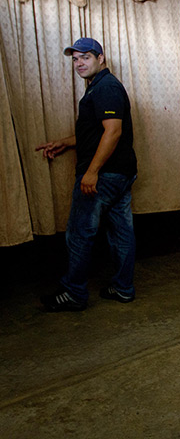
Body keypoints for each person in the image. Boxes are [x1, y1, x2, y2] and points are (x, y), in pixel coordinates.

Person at [36, 37, 138, 312]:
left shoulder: (105, 88)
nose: (79, 63)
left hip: (105, 176)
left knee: (80, 233)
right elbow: (95, 133)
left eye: (86, 57)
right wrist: (65, 142)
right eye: (75, 59)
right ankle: (123, 288)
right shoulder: (99, 88)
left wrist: (91, 172)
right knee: (120, 232)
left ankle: (74, 293)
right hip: (120, 173)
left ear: (100, 58)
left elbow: (113, 131)